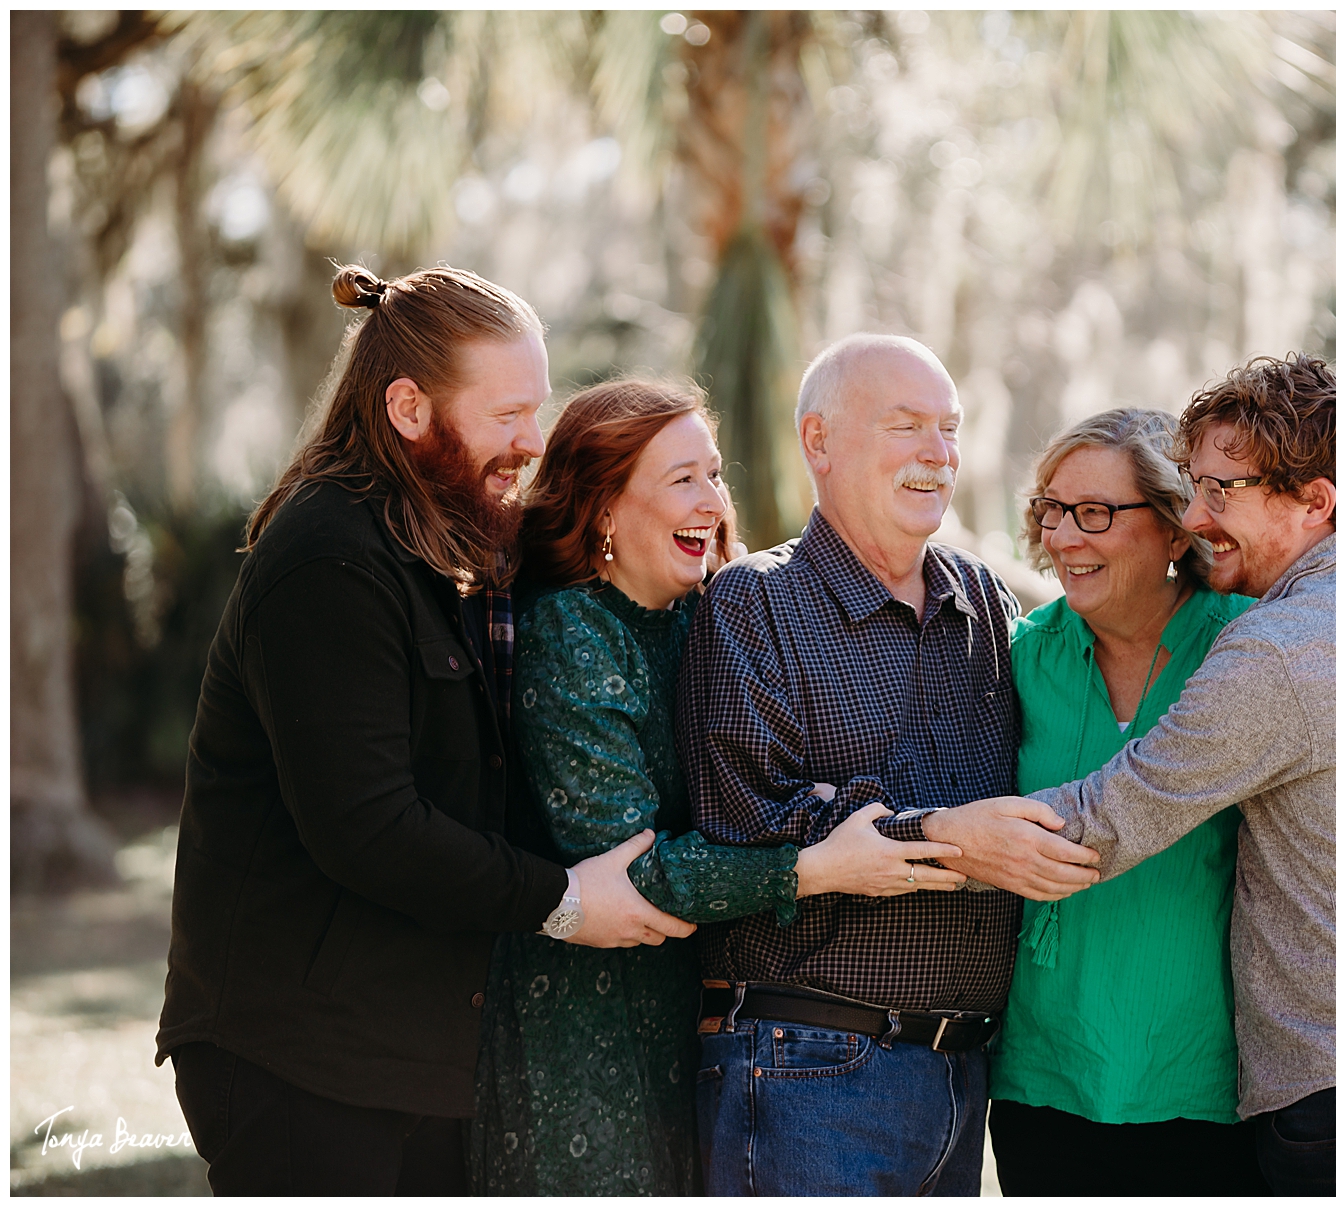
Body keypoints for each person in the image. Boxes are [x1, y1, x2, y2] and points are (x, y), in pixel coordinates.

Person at [157, 265, 699, 1195]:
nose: (531, 443)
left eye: (538, 411)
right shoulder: (330, 556)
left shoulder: (447, 546)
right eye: (506, 417)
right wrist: (566, 900)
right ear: (408, 406)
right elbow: (366, 827)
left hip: (416, 1051)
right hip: (302, 1057)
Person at [962, 354, 1336, 1196]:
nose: (1197, 515)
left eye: (1221, 491)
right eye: (1194, 486)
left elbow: (1114, 815)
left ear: (1314, 502)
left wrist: (917, 837)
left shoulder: (1274, 648)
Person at [466, 379, 967, 1195]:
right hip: (589, 1029)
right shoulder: (573, 631)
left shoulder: (705, 616)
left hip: (696, 1018)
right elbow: (636, 873)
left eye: (714, 473)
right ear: (603, 510)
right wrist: (819, 868)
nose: (711, 500)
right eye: (681, 479)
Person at [677, 333, 1101, 1197]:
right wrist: (946, 839)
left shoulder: (981, 598)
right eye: (906, 426)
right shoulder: (754, 601)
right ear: (819, 442)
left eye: (948, 428)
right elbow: (746, 820)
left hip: (960, 1078)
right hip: (806, 1067)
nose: (937, 454)